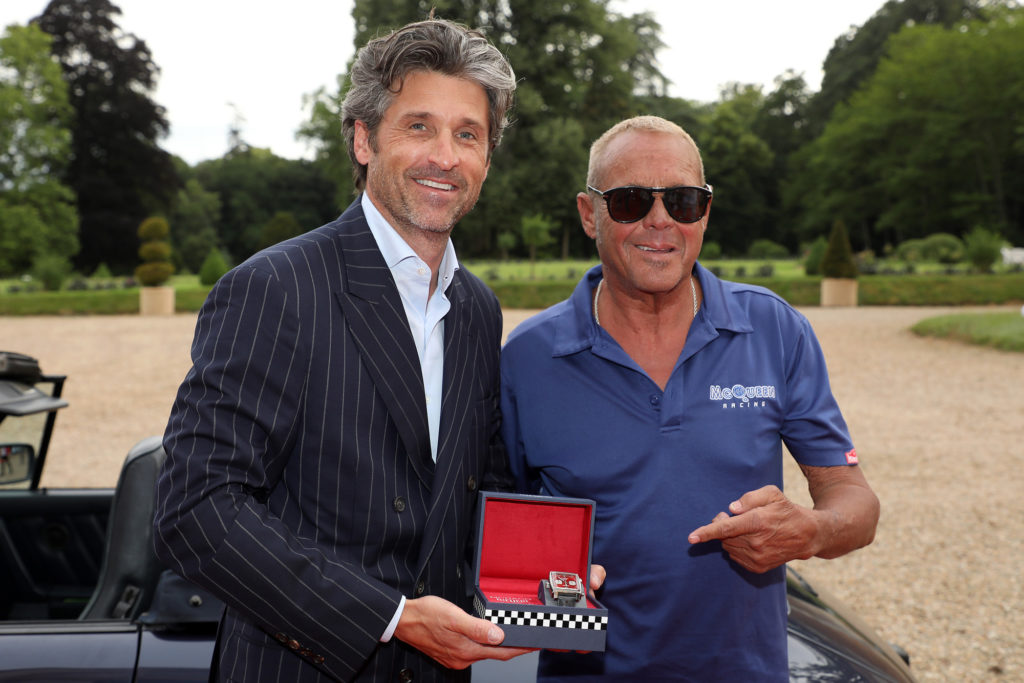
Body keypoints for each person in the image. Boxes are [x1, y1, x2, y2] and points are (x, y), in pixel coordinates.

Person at [153, 18, 532, 683]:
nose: (446, 155)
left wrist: (545, 572)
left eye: (467, 134)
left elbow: (473, 494)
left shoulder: (478, 310)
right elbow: (196, 508)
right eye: (419, 126)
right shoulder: (274, 288)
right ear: (363, 139)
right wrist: (393, 616)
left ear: (486, 158)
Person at [499, 115, 880, 681]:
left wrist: (812, 530)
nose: (661, 221)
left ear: (705, 211)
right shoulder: (528, 358)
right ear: (588, 214)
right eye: (630, 201)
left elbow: (855, 502)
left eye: (683, 200)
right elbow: (496, 534)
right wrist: (537, 590)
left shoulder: (773, 328)